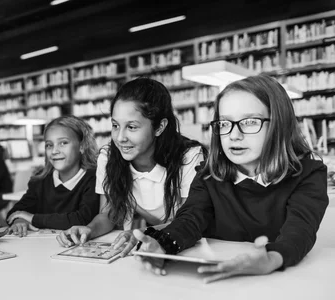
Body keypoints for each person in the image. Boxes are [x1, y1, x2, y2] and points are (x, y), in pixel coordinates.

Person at [134, 75, 329, 283]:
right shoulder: (208, 173)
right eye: (225, 123)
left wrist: (271, 259)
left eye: (250, 122)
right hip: (215, 283)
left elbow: (299, 232)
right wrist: (162, 246)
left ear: (279, 124)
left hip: (279, 283)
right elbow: (190, 219)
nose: (234, 135)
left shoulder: (309, 174)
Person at [57, 78, 206, 256]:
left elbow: (187, 221)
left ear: (160, 127)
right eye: (115, 125)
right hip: (152, 244)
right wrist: (89, 229)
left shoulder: (189, 157)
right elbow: (109, 214)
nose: (120, 138)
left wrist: (144, 233)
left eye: (132, 127)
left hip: (189, 246)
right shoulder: (109, 156)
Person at [7, 116, 100, 236]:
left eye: (63, 143)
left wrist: (33, 218)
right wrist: (19, 221)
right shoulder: (40, 180)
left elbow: (82, 219)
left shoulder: (93, 179)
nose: (54, 151)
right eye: (49, 145)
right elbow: (16, 212)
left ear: (82, 146)